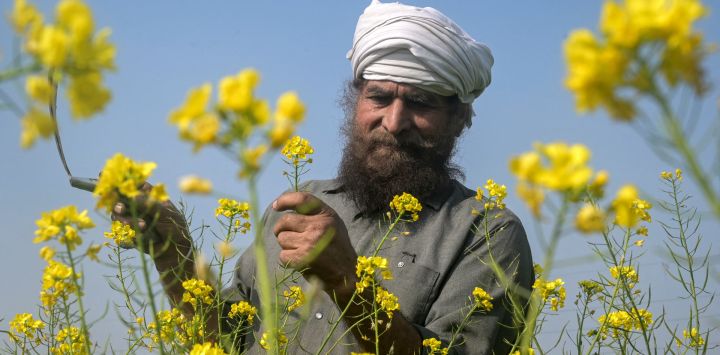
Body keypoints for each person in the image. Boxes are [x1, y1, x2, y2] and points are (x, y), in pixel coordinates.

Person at [112, 1, 534, 354]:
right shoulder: (298, 204)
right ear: (355, 103)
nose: (394, 121)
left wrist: (345, 280)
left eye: (421, 103)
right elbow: (224, 340)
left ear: (460, 118)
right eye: (379, 97)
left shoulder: (487, 233)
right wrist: (173, 251)